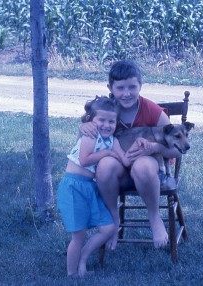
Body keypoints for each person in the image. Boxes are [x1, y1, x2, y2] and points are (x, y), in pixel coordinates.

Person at [80, 60, 182, 251]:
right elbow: (83, 140)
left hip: (149, 174)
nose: (126, 93)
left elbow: (176, 149)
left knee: (142, 164)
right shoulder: (105, 109)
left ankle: (154, 217)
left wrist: (154, 147)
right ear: (110, 87)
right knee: (105, 165)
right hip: (118, 173)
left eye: (132, 87)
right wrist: (84, 127)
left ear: (140, 86)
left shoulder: (151, 110)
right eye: (120, 88)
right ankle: (113, 219)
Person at [57, 96, 130, 277]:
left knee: (108, 228)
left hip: (90, 187)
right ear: (91, 120)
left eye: (111, 121)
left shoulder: (113, 141)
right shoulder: (91, 135)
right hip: (73, 186)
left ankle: (82, 257)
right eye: (101, 120)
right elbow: (84, 159)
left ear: (116, 122)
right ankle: (72, 273)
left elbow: (125, 159)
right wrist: (107, 153)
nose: (106, 125)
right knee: (79, 236)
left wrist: (145, 148)